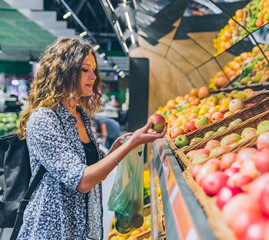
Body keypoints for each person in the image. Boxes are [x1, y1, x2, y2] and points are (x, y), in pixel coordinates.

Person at [15, 37, 166, 240]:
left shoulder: (81, 116)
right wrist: (132, 143)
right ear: (64, 71)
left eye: (94, 70)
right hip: (52, 229)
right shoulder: (44, 119)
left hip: (81, 230)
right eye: (85, 69)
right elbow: (82, 181)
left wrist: (117, 148)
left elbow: (96, 172)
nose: (93, 76)